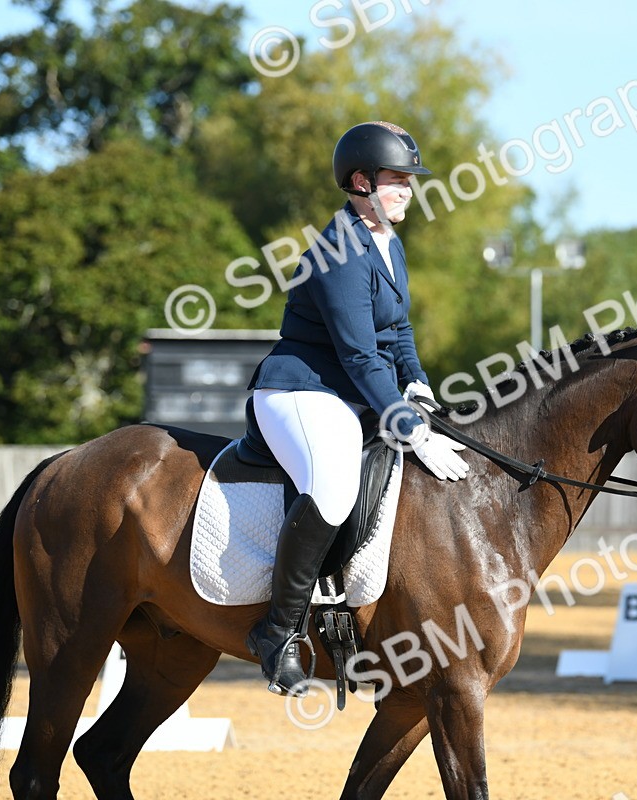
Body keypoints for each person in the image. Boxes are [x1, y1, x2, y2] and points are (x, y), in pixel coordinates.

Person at [244, 120, 469, 695]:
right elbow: (360, 353)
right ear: (362, 181)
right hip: (301, 390)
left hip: (350, 391)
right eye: (397, 181)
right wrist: (409, 428)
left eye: (410, 182)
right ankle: (278, 630)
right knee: (335, 486)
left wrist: (417, 387)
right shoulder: (339, 249)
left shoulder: (388, 244)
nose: (408, 192)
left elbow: (398, 335)